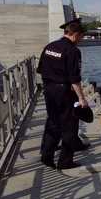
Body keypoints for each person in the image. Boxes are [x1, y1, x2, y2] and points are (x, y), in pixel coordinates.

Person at [37, 18, 89, 169]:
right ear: (76, 35)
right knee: (69, 127)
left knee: (53, 124)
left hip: (49, 90)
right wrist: (81, 98)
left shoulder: (49, 47)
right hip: (64, 92)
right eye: (81, 37)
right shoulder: (73, 51)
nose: (80, 40)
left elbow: (40, 69)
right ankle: (65, 161)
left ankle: (47, 157)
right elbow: (74, 78)